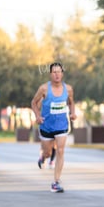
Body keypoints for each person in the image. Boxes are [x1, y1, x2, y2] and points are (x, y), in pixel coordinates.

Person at [31, 62, 77, 193]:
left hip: (62, 125)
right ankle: (43, 157)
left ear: (62, 73)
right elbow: (33, 103)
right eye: (54, 72)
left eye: (59, 72)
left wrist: (73, 113)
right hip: (46, 125)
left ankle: (56, 182)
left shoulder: (68, 89)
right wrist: (38, 116)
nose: (57, 74)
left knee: (61, 151)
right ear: (50, 74)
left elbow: (71, 102)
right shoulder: (44, 89)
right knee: (48, 153)